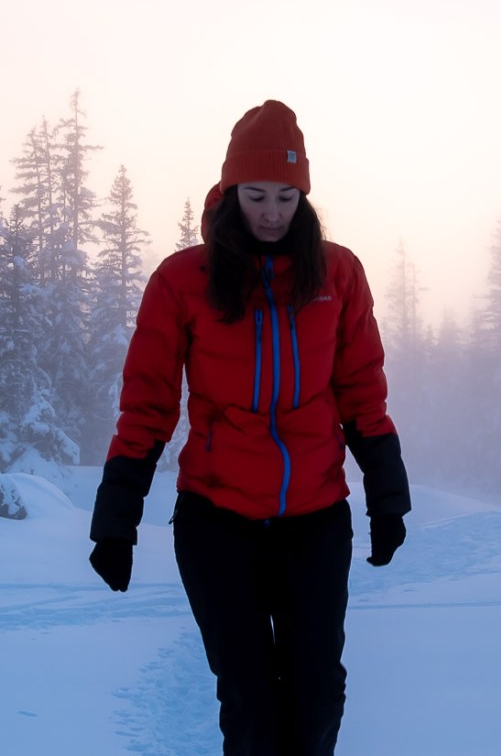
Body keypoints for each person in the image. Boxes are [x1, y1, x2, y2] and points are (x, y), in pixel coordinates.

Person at [89, 100, 411, 756]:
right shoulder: (185, 279)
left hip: (315, 518)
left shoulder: (337, 274)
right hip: (217, 519)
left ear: (304, 197)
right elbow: (148, 403)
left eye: (286, 197)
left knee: (316, 690)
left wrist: (387, 497)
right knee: (249, 698)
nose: (270, 212)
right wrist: (115, 519)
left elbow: (362, 392)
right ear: (230, 192)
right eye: (256, 195)